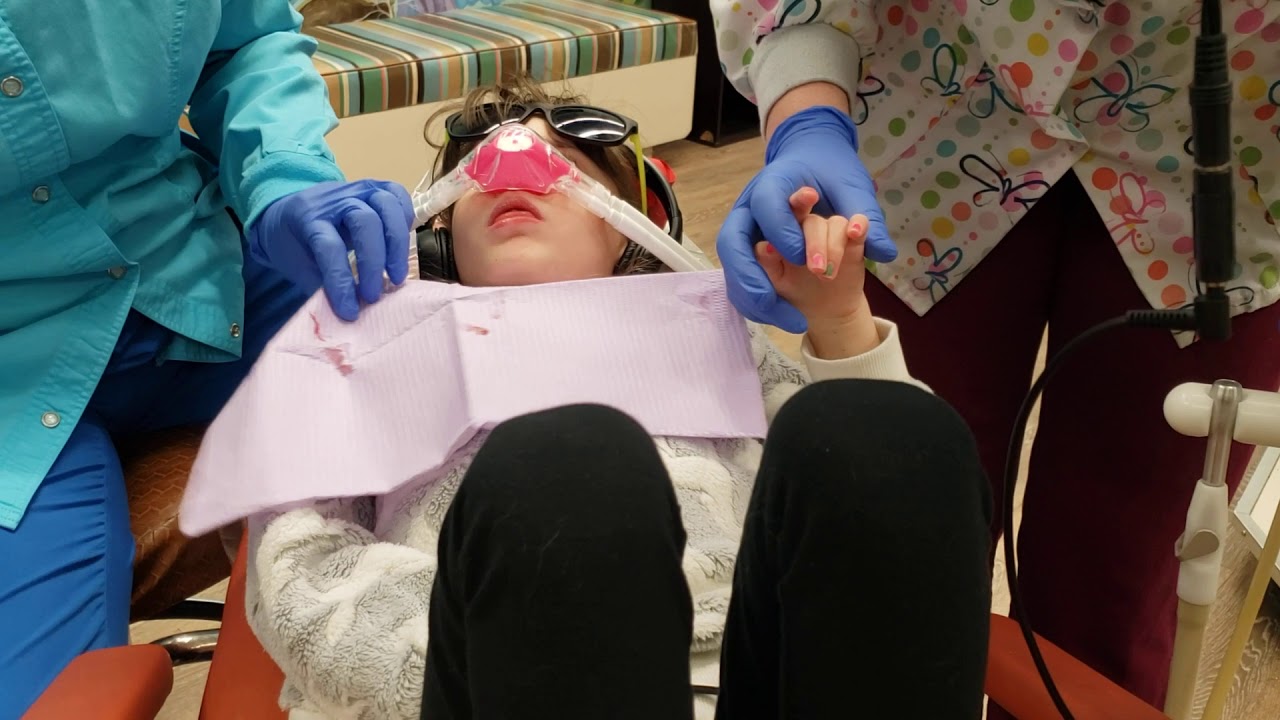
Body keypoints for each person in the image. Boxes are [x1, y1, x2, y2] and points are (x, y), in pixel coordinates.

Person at [244, 78, 993, 719]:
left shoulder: (714, 340)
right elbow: (299, 569)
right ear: (434, 238)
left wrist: (839, 322)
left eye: (564, 163)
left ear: (635, 227)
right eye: (479, 174)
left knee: (890, 431)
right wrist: (504, 646)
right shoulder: (375, 358)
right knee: (569, 466)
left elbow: (872, 520)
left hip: (752, 677)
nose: (517, 171)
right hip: (491, 684)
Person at [709, 0, 1280, 712]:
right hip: (934, 118)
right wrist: (805, 114)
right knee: (886, 542)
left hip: (1234, 158)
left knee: (1113, 595)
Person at [0, 1, 413, 715]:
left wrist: (286, 176)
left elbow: (243, 44)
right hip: (16, 364)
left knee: (450, 380)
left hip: (194, 262)